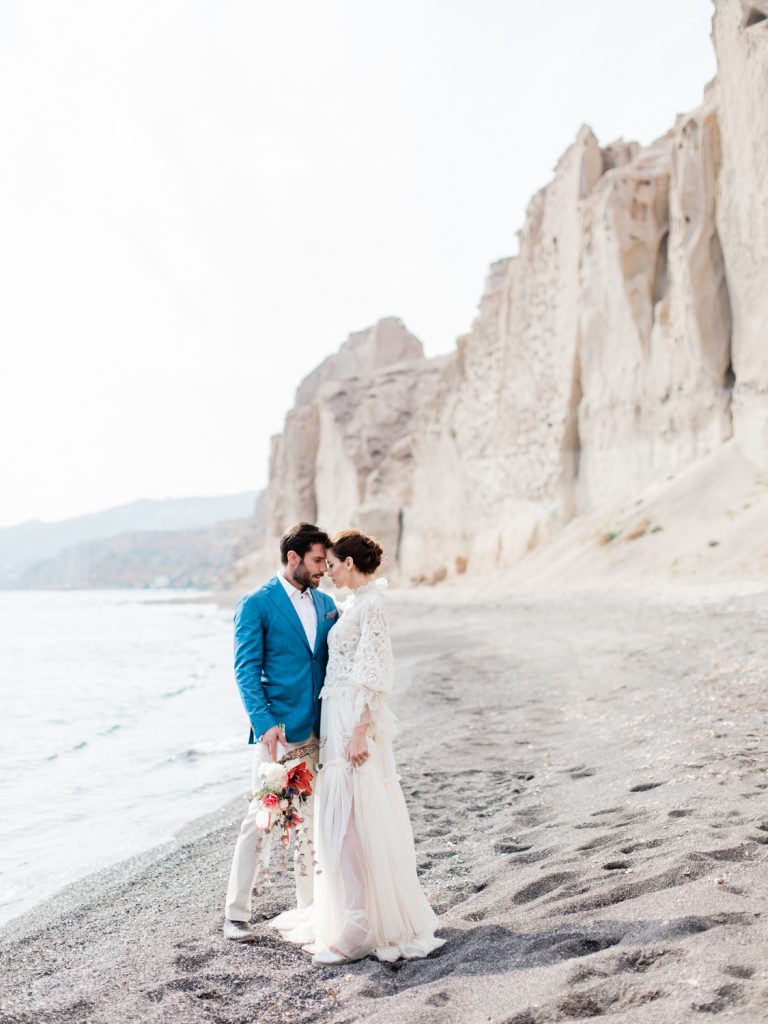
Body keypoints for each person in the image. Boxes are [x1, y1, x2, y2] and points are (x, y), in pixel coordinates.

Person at [269, 529, 445, 964]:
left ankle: (360, 922)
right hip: (338, 711)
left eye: (330, 565)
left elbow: (376, 671)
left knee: (350, 820)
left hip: (352, 716)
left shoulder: (373, 606)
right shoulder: (354, 606)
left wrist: (361, 730)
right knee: (342, 819)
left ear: (349, 563)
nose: (326, 573)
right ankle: (353, 912)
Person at [223, 522, 338, 942]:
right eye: (316, 561)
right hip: (279, 733)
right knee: (262, 817)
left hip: (320, 729)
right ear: (293, 558)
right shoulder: (256, 603)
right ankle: (236, 912)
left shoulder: (326, 602)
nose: (322, 568)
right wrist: (264, 722)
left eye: (325, 562)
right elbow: (245, 669)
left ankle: (309, 909)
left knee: (309, 820)